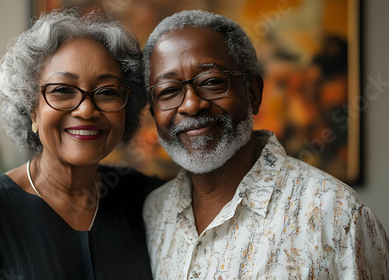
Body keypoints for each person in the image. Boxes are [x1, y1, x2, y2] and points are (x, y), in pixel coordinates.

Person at [142, 10, 389, 279]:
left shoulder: (336, 214)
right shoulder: (153, 213)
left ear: (253, 93)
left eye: (212, 82)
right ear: (154, 111)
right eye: (168, 91)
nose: (191, 105)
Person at [0, 9, 160, 279]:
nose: (86, 110)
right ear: (31, 107)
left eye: (107, 92)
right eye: (63, 90)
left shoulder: (145, 199)